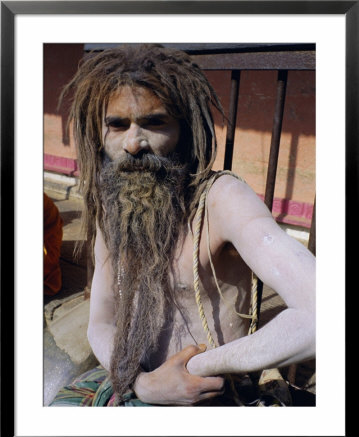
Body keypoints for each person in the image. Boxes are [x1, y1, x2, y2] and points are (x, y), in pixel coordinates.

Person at [50, 44, 315, 407]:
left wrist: (196, 368)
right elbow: (101, 321)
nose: (133, 143)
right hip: (133, 379)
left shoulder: (221, 200)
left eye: (154, 122)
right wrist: (142, 384)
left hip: (212, 392)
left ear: (185, 130)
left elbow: (326, 313)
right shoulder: (115, 207)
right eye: (117, 124)